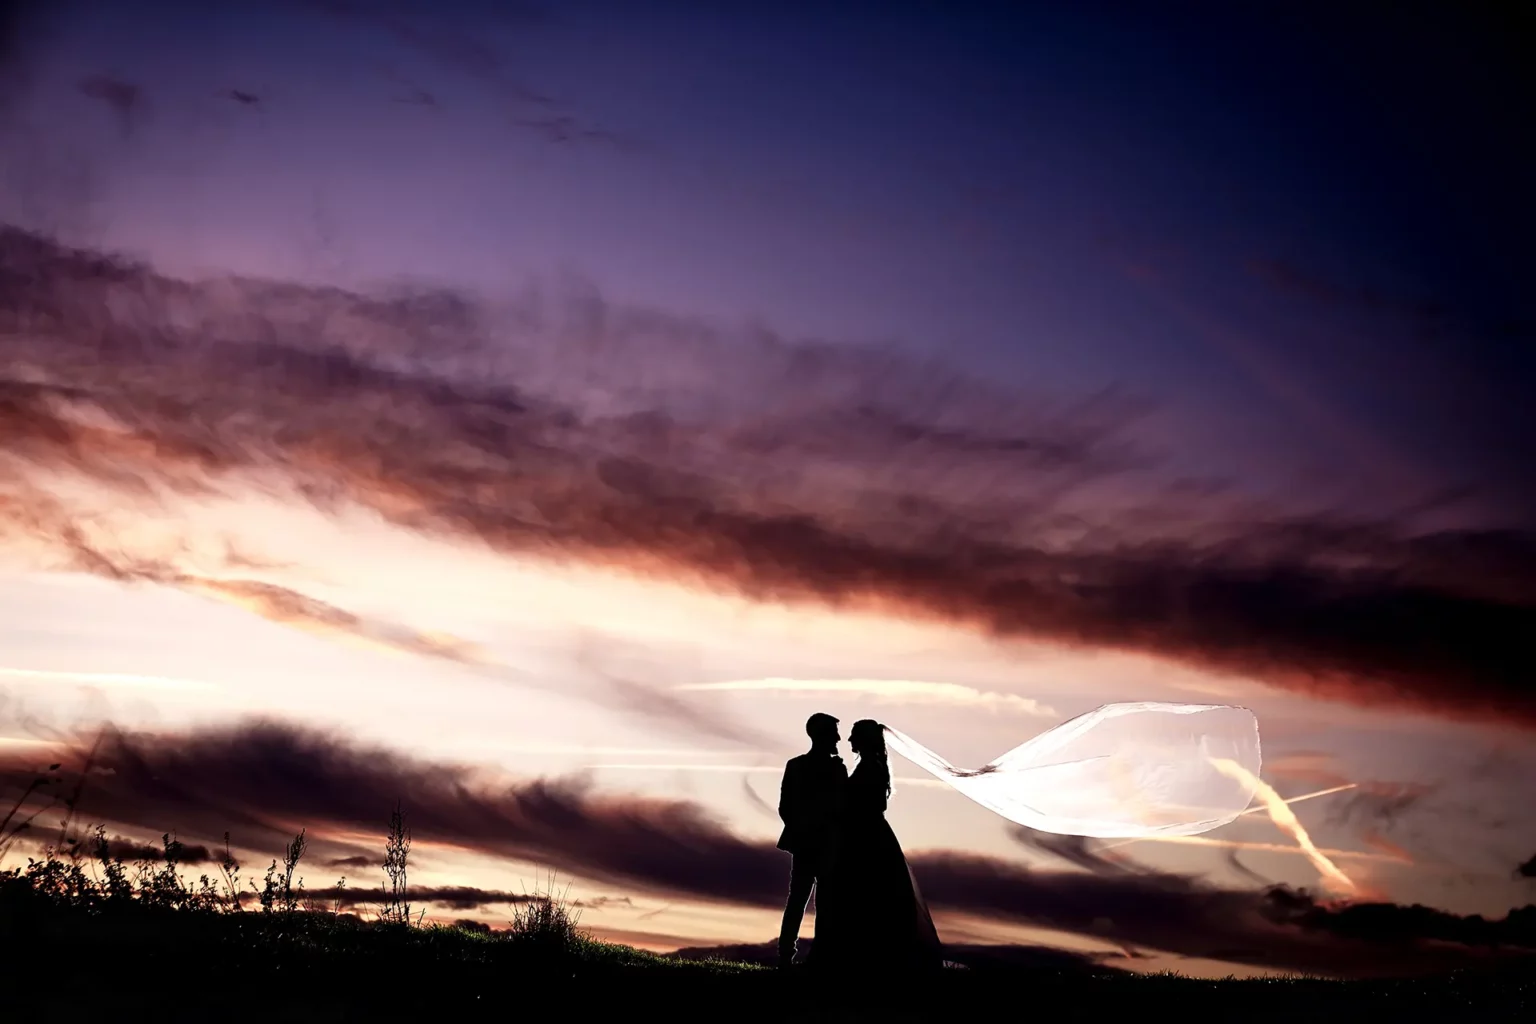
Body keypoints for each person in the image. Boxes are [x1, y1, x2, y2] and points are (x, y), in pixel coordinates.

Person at [807, 718, 943, 974]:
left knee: (867, 893)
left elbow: (864, 804)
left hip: (867, 837)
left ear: (865, 739)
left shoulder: (871, 767)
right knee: (869, 895)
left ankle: (868, 958)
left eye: (853, 735)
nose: (848, 741)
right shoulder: (871, 765)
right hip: (868, 833)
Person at [776, 712, 848, 969]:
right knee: (801, 900)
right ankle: (787, 955)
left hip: (822, 843)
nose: (839, 738)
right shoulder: (799, 766)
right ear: (822, 735)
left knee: (821, 903)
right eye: (834, 733)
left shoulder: (834, 768)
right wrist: (810, 830)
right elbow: (786, 807)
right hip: (813, 844)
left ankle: (815, 956)